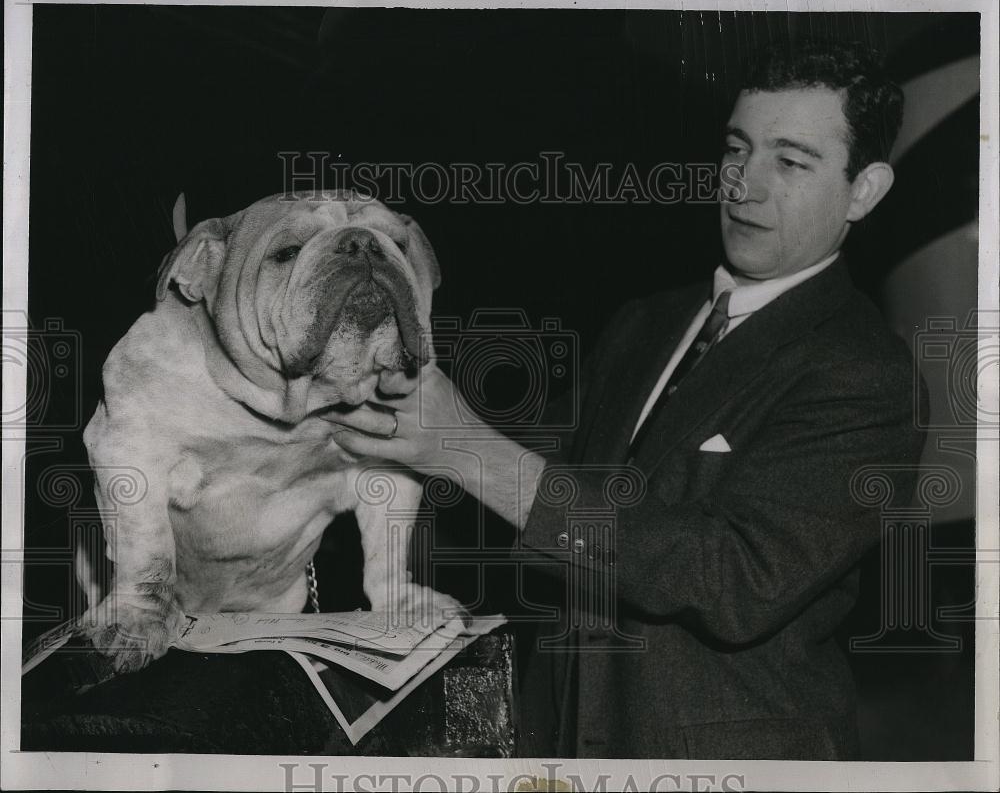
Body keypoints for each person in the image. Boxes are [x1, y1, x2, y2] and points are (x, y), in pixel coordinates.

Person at [323, 40, 926, 759]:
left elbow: (733, 578)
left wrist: (469, 450)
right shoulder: (647, 322)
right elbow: (560, 511)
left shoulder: (865, 372)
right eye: (737, 150)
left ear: (865, 190)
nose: (743, 186)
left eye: (790, 163)